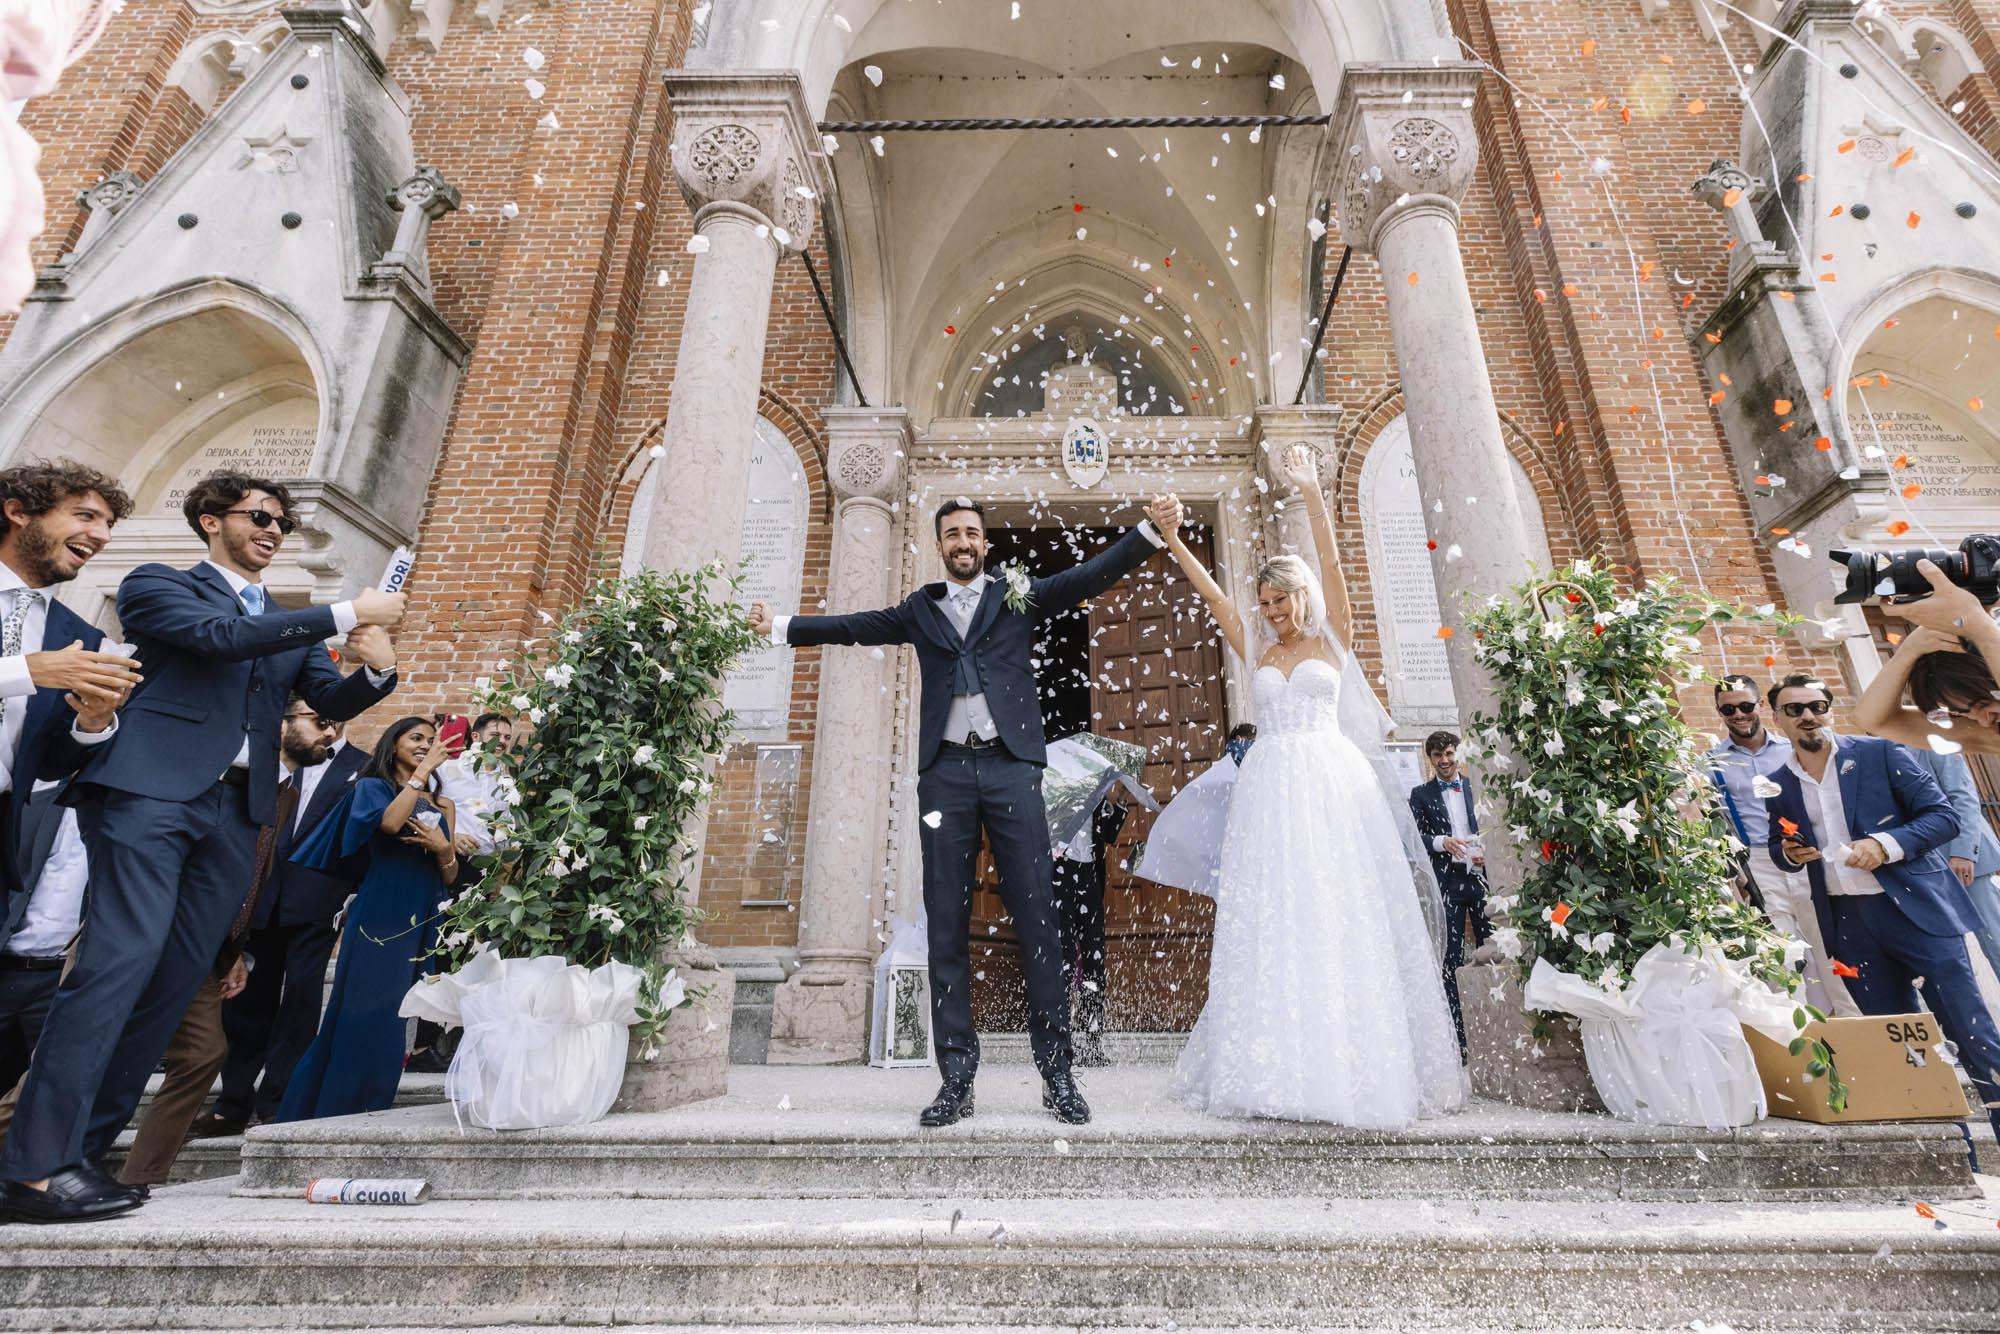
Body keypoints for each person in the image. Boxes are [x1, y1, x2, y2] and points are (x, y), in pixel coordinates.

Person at [0, 472, 404, 1225]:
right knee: (117, 963)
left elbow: (328, 699)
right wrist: (343, 609)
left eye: (282, 522)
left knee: (172, 981)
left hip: (237, 814)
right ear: (210, 520)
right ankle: (29, 1169)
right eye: (259, 516)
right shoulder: (160, 584)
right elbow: (216, 640)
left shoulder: (283, 618)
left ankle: (80, 1156)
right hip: (151, 793)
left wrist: (374, 664)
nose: (273, 530)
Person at [749, 493, 1182, 1127]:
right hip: (945, 775)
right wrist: (784, 626)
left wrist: (1150, 533)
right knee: (946, 921)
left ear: (985, 543)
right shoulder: (920, 610)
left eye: (972, 533)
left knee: (1038, 917)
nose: (962, 541)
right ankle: (956, 1078)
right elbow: (854, 626)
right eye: (951, 533)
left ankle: (1058, 1072)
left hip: (1011, 770)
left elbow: (1087, 576)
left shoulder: (1017, 592)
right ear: (940, 544)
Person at [1153, 446, 1465, 1128]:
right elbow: (1211, 596)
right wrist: (1175, 538)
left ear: (1299, 597)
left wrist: (1311, 493)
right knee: (1277, 914)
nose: (1271, 613)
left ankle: (1351, 1065)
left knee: (1339, 907)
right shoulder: (1258, 650)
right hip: (1271, 789)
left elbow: (1333, 566)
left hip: (1328, 783)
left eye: (1280, 601)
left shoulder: (1333, 640)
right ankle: (1275, 1068)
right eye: (1263, 603)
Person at [1761, 674, 2000, 1142]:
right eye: (1795, 710)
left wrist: (1884, 844)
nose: (1808, 715)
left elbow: (1942, 815)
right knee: (1902, 1047)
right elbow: (1778, 843)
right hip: (1849, 924)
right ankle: (1953, 1155)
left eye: (1817, 705)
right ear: (1779, 720)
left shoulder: (1879, 753)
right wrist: (1789, 853)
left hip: (1918, 914)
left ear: (1830, 709)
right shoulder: (1777, 783)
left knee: (1972, 1033)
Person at [192, 699, 367, 1137]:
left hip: (320, 899)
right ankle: (232, 1102)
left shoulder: (363, 766)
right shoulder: (273, 759)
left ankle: (279, 1098)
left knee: (302, 1000)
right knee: (248, 1001)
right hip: (260, 895)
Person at [276, 716, 460, 1123]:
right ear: (393, 744)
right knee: (368, 1011)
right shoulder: (371, 788)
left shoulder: (442, 803)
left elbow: (449, 873)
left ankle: (375, 1102)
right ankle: (335, 1107)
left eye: (431, 741)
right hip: (382, 911)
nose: (425, 745)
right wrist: (423, 773)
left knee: (398, 1016)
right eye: (416, 738)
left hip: (424, 913)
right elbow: (391, 823)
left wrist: (444, 847)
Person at [0, 462, 138, 927]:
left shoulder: (80, 638)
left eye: (108, 525)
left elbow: (50, 764)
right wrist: (24, 671)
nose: (102, 536)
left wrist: (93, 721)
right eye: (85, 516)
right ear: (18, 511)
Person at [1704, 674, 1852, 1016]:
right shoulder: (1710, 763)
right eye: (1728, 709)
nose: (1738, 714)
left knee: (1829, 945)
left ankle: (1851, 1023)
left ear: (1760, 705)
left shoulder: (1794, 748)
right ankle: (1797, 1031)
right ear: (1720, 712)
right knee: (1780, 953)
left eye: (1745, 705)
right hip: (1756, 863)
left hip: (1806, 855)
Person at [1408, 730, 1490, 1057]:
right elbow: (1414, 837)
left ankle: (1493, 1026)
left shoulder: (1476, 787)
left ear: (1458, 754)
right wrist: (1443, 842)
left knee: (1493, 952)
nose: (1444, 761)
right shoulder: (1420, 794)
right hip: (1448, 884)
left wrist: (1488, 850)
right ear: (1430, 759)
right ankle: (1460, 1039)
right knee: (1451, 959)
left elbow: (1493, 826)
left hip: (1481, 881)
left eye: (1449, 754)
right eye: (1438, 756)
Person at [0, 779, 84, 1097]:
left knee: (47, 1092)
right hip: (8, 964)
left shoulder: (128, 816)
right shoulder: (31, 800)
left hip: (64, 977)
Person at [1908, 745, 2000, 990]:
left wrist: (1963, 851)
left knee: (1995, 940)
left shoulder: (1930, 740)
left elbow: (1963, 795)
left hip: (1965, 862)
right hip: (1922, 866)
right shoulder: (1875, 747)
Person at [1051, 786, 1129, 1067]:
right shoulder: (1059, 791)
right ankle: (1062, 1043)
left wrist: (1117, 803)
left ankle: (1093, 1042)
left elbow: (1108, 835)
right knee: (1064, 961)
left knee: (1094, 961)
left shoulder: (1098, 798)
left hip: (1089, 877)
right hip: (1061, 873)